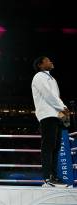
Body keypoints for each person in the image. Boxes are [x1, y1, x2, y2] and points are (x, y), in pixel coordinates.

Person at [31, 56, 68, 187]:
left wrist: (61, 109)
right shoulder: (39, 76)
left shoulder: (52, 78)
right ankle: (47, 178)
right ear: (40, 65)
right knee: (48, 147)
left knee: (56, 147)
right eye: (47, 60)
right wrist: (62, 107)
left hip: (56, 115)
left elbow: (55, 97)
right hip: (47, 115)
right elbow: (48, 95)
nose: (51, 61)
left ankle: (54, 176)